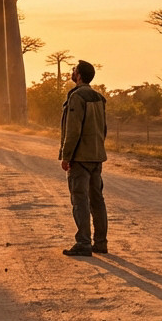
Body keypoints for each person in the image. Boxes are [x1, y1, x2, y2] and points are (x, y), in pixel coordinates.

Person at [59, 59, 107, 256]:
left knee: (80, 200)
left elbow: (73, 130)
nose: (72, 72)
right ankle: (101, 243)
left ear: (78, 75)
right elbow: (103, 129)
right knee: (97, 200)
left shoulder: (77, 97)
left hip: (80, 158)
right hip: (96, 156)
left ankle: (84, 243)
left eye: (74, 70)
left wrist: (66, 155)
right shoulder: (99, 97)